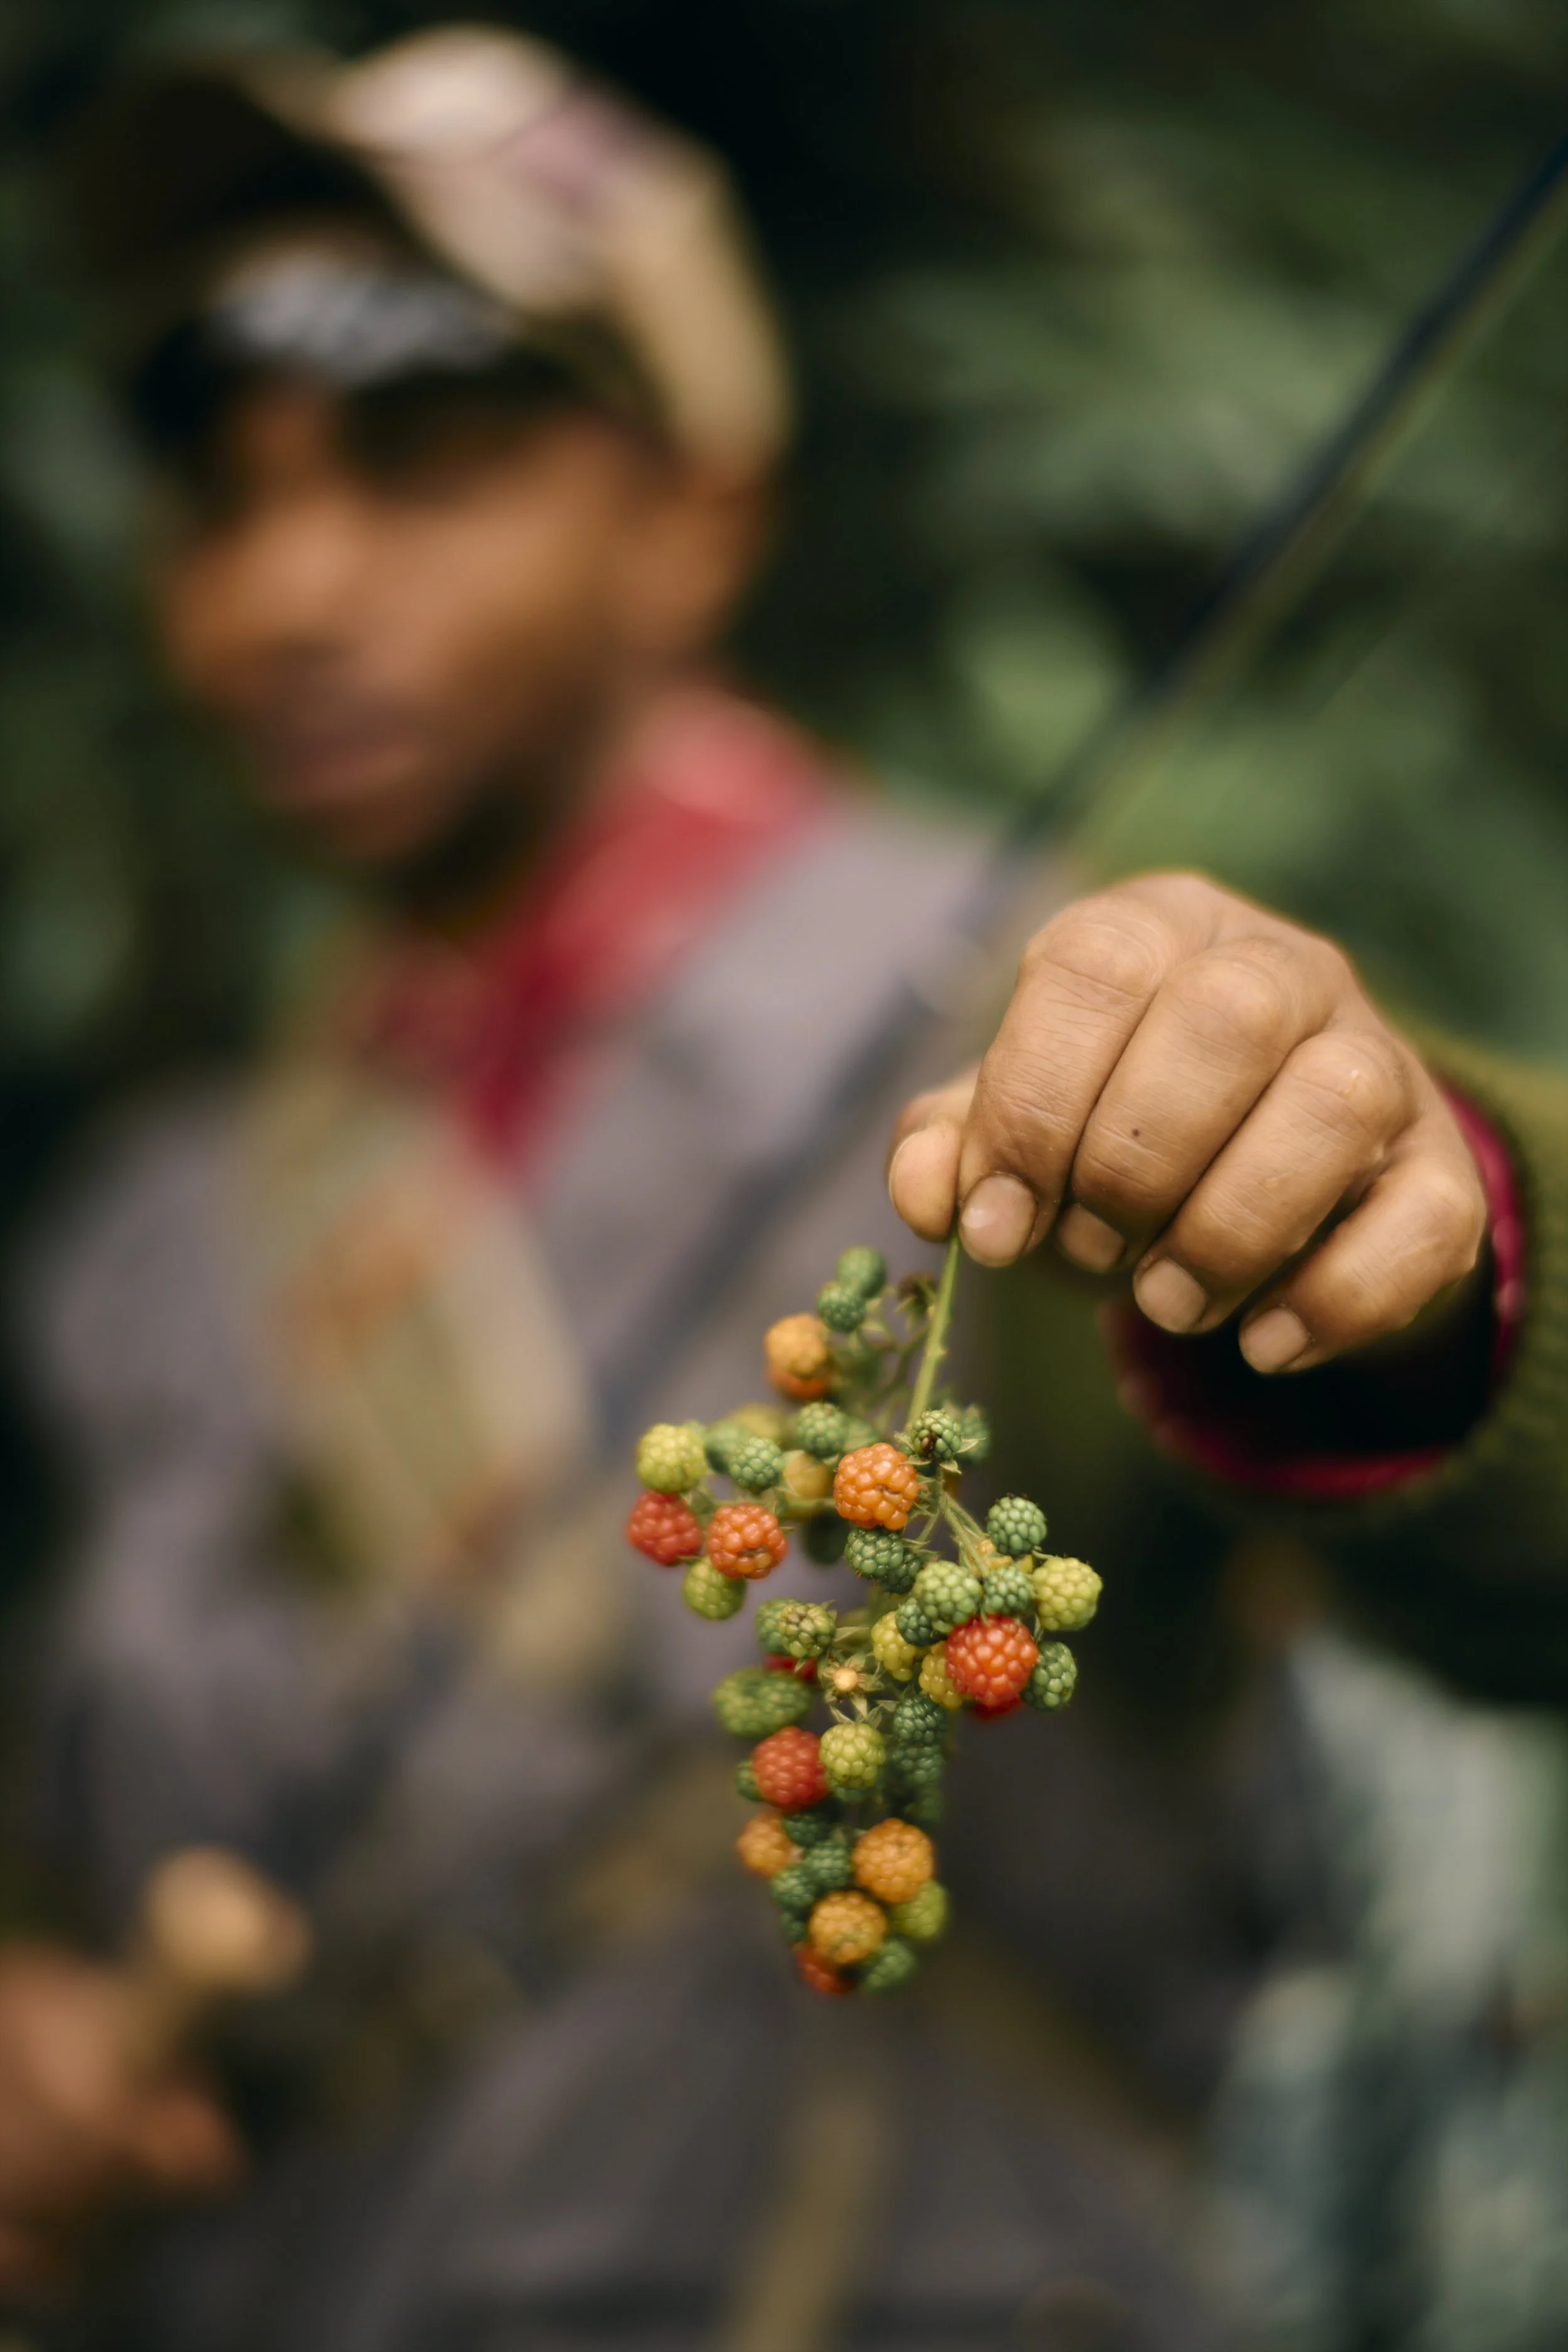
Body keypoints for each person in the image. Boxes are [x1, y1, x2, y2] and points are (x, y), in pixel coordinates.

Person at [2, 23, 1562, 2349]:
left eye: (426, 456)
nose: (291, 586)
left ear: (697, 509)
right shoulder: (147, 1227)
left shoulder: (1051, 1050)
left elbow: (1500, 1510)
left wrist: (1430, 1250)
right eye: (219, 488)